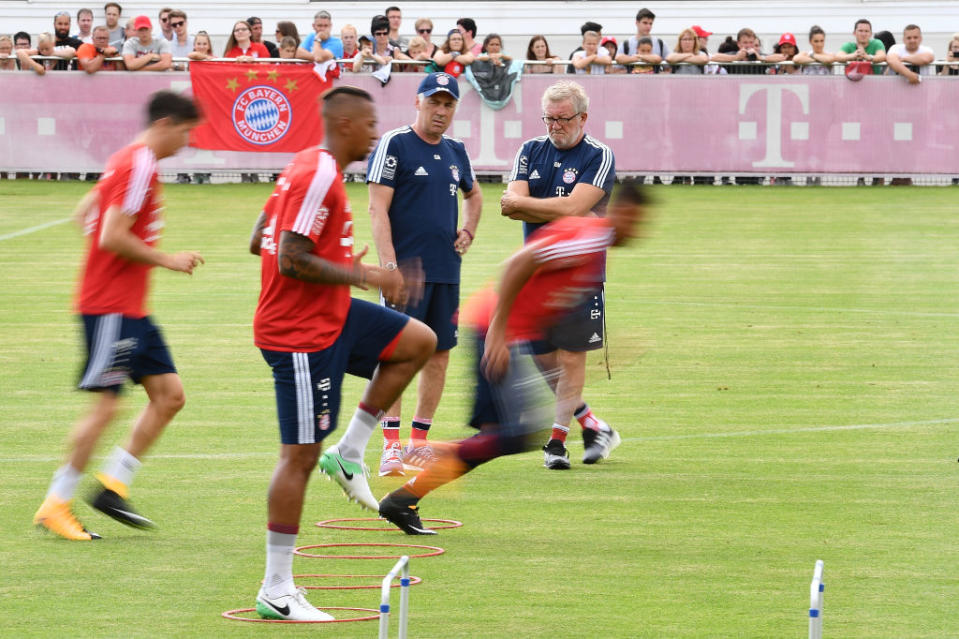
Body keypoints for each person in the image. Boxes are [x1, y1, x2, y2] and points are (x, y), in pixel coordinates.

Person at [248, 85, 436, 621]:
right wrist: (364, 272)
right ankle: (276, 589)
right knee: (299, 457)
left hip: (328, 314)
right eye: (371, 123)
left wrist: (330, 258)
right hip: (299, 332)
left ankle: (351, 452)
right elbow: (288, 256)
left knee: (416, 341)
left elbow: (260, 234)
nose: (377, 133)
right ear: (346, 123)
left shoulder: (305, 166)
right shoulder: (320, 173)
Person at [378, 180, 648, 535]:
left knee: (501, 438)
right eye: (638, 220)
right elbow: (521, 261)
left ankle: (403, 500)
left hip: (507, 332)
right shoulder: (590, 237)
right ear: (624, 213)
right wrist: (499, 332)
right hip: (492, 327)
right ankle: (421, 457)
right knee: (508, 436)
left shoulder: (596, 246)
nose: (639, 230)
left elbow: (543, 297)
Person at [32, 91, 203, 541]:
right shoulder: (139, 163)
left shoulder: (126, 160)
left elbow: (85, 212)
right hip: (111, 305)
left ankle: (111, 485)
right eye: (185, 131)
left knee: (169, 395)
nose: (186, 142)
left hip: (129, 306)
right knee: (106, 404)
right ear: (165, 123)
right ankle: (56, 503)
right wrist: (165, 258)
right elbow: (109, 234)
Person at [366, 72, 482, 477]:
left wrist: (468, 229)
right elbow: (376, 208)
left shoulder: (456, 151)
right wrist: (390, 267)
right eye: (434, 102)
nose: (441, 110)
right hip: (405, 276)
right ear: (417, 102)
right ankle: (390, 447)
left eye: (448, 104)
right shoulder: (395, 144)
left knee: (439, 357)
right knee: (395, 355)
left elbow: (475, 194)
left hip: (446, 273)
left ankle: (418, 444)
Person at [500, 80, 619, 470]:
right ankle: (593, 424)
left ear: (583, 117)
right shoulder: (529, 150)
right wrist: (563, 209)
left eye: (562, 119)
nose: (554, 126)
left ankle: (556, 441)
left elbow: (575, 205)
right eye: (548, 118)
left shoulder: (599, 155)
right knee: (540, 354)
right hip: (535, 270)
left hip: (580, 273)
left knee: (571, 358)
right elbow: (511, 208)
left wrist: (534, 205)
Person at [617, 8, 669, 73]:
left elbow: (668, 68)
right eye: (645, 23)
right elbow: (617, 67)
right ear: (637, 23)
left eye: (650, 24)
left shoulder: (660, 43)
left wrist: (639, 57)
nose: (648, 26)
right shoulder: (626, 44)